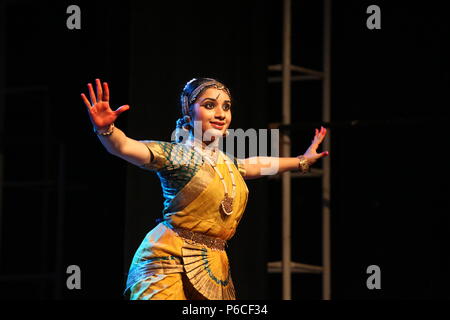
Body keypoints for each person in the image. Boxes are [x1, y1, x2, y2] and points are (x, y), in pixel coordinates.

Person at [80, 77, 329, 300]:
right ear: (189, 112)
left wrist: (301, 161)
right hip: (167, 260)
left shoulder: (228, 164)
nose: (221, 113)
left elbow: (257, 165)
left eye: (226, 106)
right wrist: (106, 129)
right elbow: (125, 147)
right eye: (209, 105)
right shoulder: (176, 155)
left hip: (212, 263)